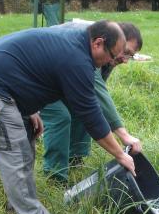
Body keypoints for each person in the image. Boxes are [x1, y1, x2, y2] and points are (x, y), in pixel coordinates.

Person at [0, 20, 135, 214]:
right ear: (98, 43)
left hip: (4, 82)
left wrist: (29, 109)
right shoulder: (77, 60)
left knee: (25, 150)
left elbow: (30, 67)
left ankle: (16, 210)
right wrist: (120, 155)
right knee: (15, 155)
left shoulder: (78, 44)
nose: (111, 62)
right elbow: (91, 115)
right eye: (112, 56)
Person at [41, 21, 143, 183]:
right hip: (39, 76)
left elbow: (91, 98)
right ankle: (55, 176)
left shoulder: (110, 54)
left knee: (84, 111)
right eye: (126, 52)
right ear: (116, 40)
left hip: (61, 77)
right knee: (61, 117)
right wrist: (124, 135)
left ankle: (75, 161)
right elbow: (96, 89)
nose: (125, 60)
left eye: (130, 56)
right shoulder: (95, 45)